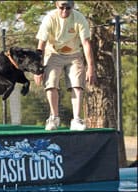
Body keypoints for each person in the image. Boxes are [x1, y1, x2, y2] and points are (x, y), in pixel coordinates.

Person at [34, 0, 96, 131]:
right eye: (62, 7)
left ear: (73, 6)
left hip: (74, 54)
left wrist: (90, 67)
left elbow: (86, 44)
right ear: (56, 5)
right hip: (53, 53)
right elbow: (41, 45)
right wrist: (38, 69)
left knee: (77, 84)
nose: (65, 11)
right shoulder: (49, 19)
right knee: (50, 83)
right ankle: (54, 117)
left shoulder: (79, 18)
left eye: (68, 7)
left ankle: (77, 119)